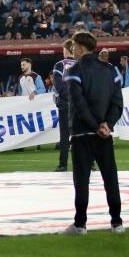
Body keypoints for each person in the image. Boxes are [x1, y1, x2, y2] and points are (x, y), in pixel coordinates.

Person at [62, 31, 124, 235]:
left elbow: (79, 105)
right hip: (104, 135)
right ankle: (117, 222)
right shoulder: (111, 70)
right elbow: (118, 103)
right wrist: (107, 125)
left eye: (73, 47)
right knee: (110, 178)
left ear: (80, 47)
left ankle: (80, 224)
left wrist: (94, 125)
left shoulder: (74, 70)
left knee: (82, 180)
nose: (72, 50)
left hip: (82, 133)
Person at [51, 39, 77, 172]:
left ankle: (63, 165)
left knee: (64, 136)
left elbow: (59, 86)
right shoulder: (81, 64)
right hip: (80, 105)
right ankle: (89, 164)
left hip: (66, 105)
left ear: (66, 50)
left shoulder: (59, 65)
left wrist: (66, 99)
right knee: (82, 134)